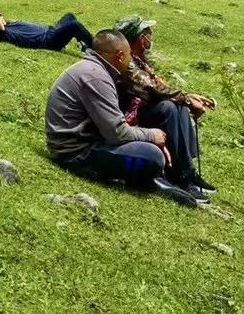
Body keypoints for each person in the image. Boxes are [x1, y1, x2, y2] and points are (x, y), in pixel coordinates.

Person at [45, 29, 207, 207]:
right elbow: (116, 134)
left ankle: (164, 177)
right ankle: (152, 180)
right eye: (129, 56)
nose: (131, 61)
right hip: (76, 153)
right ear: (120, 55)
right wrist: (152, 136)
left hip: (86, 142)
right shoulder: (95, 77)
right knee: (151, 156)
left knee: (149, 143)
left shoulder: (94, 70)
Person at [114, 15, 216, 196]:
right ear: (140, 38)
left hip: (142, 108)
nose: (151, 37)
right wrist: (185, 98)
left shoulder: (139, 60)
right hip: (129, 115)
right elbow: (150, 87)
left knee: (178, 106)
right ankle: (178, 173)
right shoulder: (127, 62)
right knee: (168, 108)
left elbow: (159, 84)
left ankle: (188, 170)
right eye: (148, 33)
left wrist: (186, 98)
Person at [0, 0, 93, 51]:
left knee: (69, 16)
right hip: (49, 40)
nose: (0, 15)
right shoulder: (2, 34)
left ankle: (84, 46)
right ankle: (97, 48)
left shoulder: (10, 25)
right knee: (74, 26)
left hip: (52, 30)